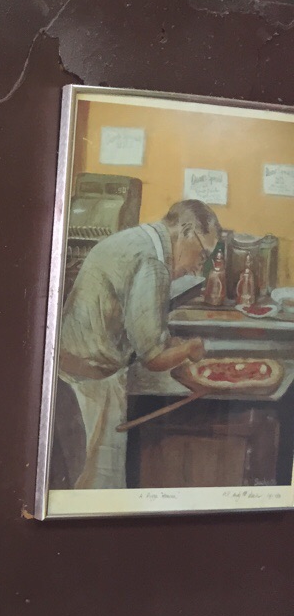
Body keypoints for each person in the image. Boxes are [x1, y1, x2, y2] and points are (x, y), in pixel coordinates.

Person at [57, 199, 219, 489]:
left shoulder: (136, 240)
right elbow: (153, 358)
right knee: (97, 490)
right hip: (91, 386)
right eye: (203, 253)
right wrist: (190, 347)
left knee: (80, 483)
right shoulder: (154, 264)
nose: (199, 266)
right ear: (184, 231)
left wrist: (168, 340)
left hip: (72, 375)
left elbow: (131, 319)